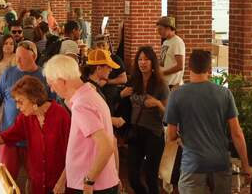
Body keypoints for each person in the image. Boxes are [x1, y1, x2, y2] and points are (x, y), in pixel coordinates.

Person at [164, 50, 252, 194]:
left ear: (189, 67)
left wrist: (182, 139)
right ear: (208, 69)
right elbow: (236, 133)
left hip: (193, 164)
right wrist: (246, 165)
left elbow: (171, 135)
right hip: (220, 162)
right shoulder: (225, 94)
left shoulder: (177, 95)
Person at [0, 76, 70, 194]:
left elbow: (72, 153)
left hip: (59, 184)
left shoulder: (61, 115)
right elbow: (8, 136)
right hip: (37, 185)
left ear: (34, 99)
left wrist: (62, 182)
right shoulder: (25, 118)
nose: (17, 106)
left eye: (20, 102)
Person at [43, 55, 119, 194]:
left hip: (95, 186)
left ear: (62, 81)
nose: (52, 90)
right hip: (98, 183)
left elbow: (107, 146)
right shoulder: (88, 94)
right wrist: (62, 181)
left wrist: (89, 181)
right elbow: (80, 147)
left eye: (51, 84)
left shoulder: (81, 105)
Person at [0, 41, 55, 182]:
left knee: (36, 178)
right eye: (17, 56)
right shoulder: (8, 73)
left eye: (22, 57)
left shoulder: (44, 76)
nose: (18, 60)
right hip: (9, 137)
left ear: (34, 56)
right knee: (5, 179)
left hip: (34, 139)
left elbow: (52, 104)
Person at [118, 46, 169, 194]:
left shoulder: (161, 85)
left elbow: (169, 115)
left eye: (146, 59)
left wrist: (158, 104)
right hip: (135, 132)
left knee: (151, 177)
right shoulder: (133, 81)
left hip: (154, 133)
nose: (143, 63)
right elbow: (120, 104)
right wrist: (121, 94)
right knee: (133, 177)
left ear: (153, 62)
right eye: (140, 59)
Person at [81, 49, 125, 129]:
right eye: (108, 67)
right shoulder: (90, 88)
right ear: (98, 68)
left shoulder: (90, 85)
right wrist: (112, 120)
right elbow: (89, 116)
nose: (111, 70)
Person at [156, 16, 185, 90]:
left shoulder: (177, 42)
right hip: (165, 83)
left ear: (168, 28)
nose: (158, 32)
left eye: (160, 29)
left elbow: (180, 66)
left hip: (173, 85)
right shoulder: (166, 42)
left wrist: (163, 73)